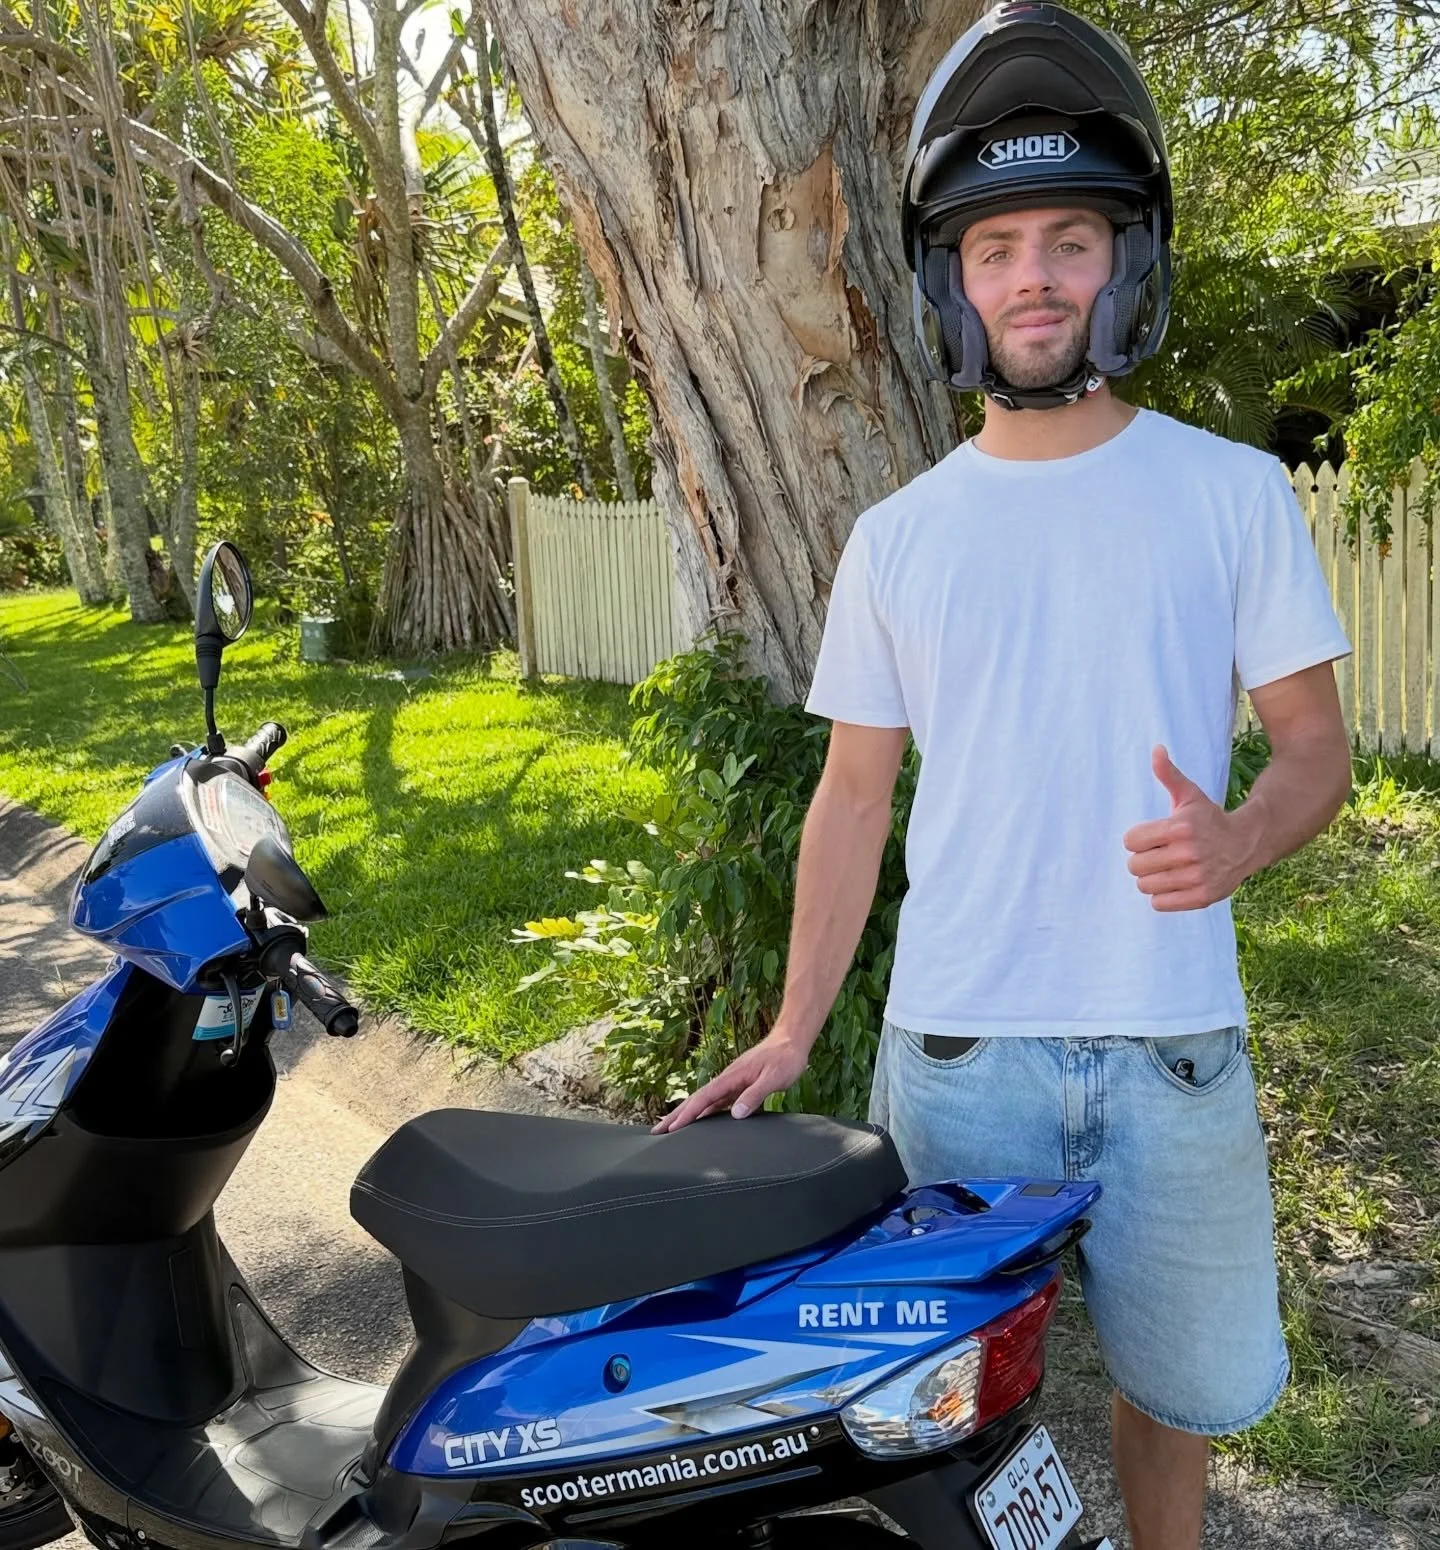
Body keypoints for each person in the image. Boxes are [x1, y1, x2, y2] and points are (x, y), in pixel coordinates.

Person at [653, 5, 1355, 1548]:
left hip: (1176, 1045)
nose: (1034, 273)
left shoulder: (1231, 497)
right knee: (941, 1408)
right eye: (995, 248)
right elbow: (852, 799)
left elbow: (1318, 751)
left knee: (1181, 1394)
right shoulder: (900, 538)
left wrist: (1241, 839)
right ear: (950, 286)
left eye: (1070, 239)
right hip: (962, 1057)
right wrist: (792, 1023)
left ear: (1129, 264)